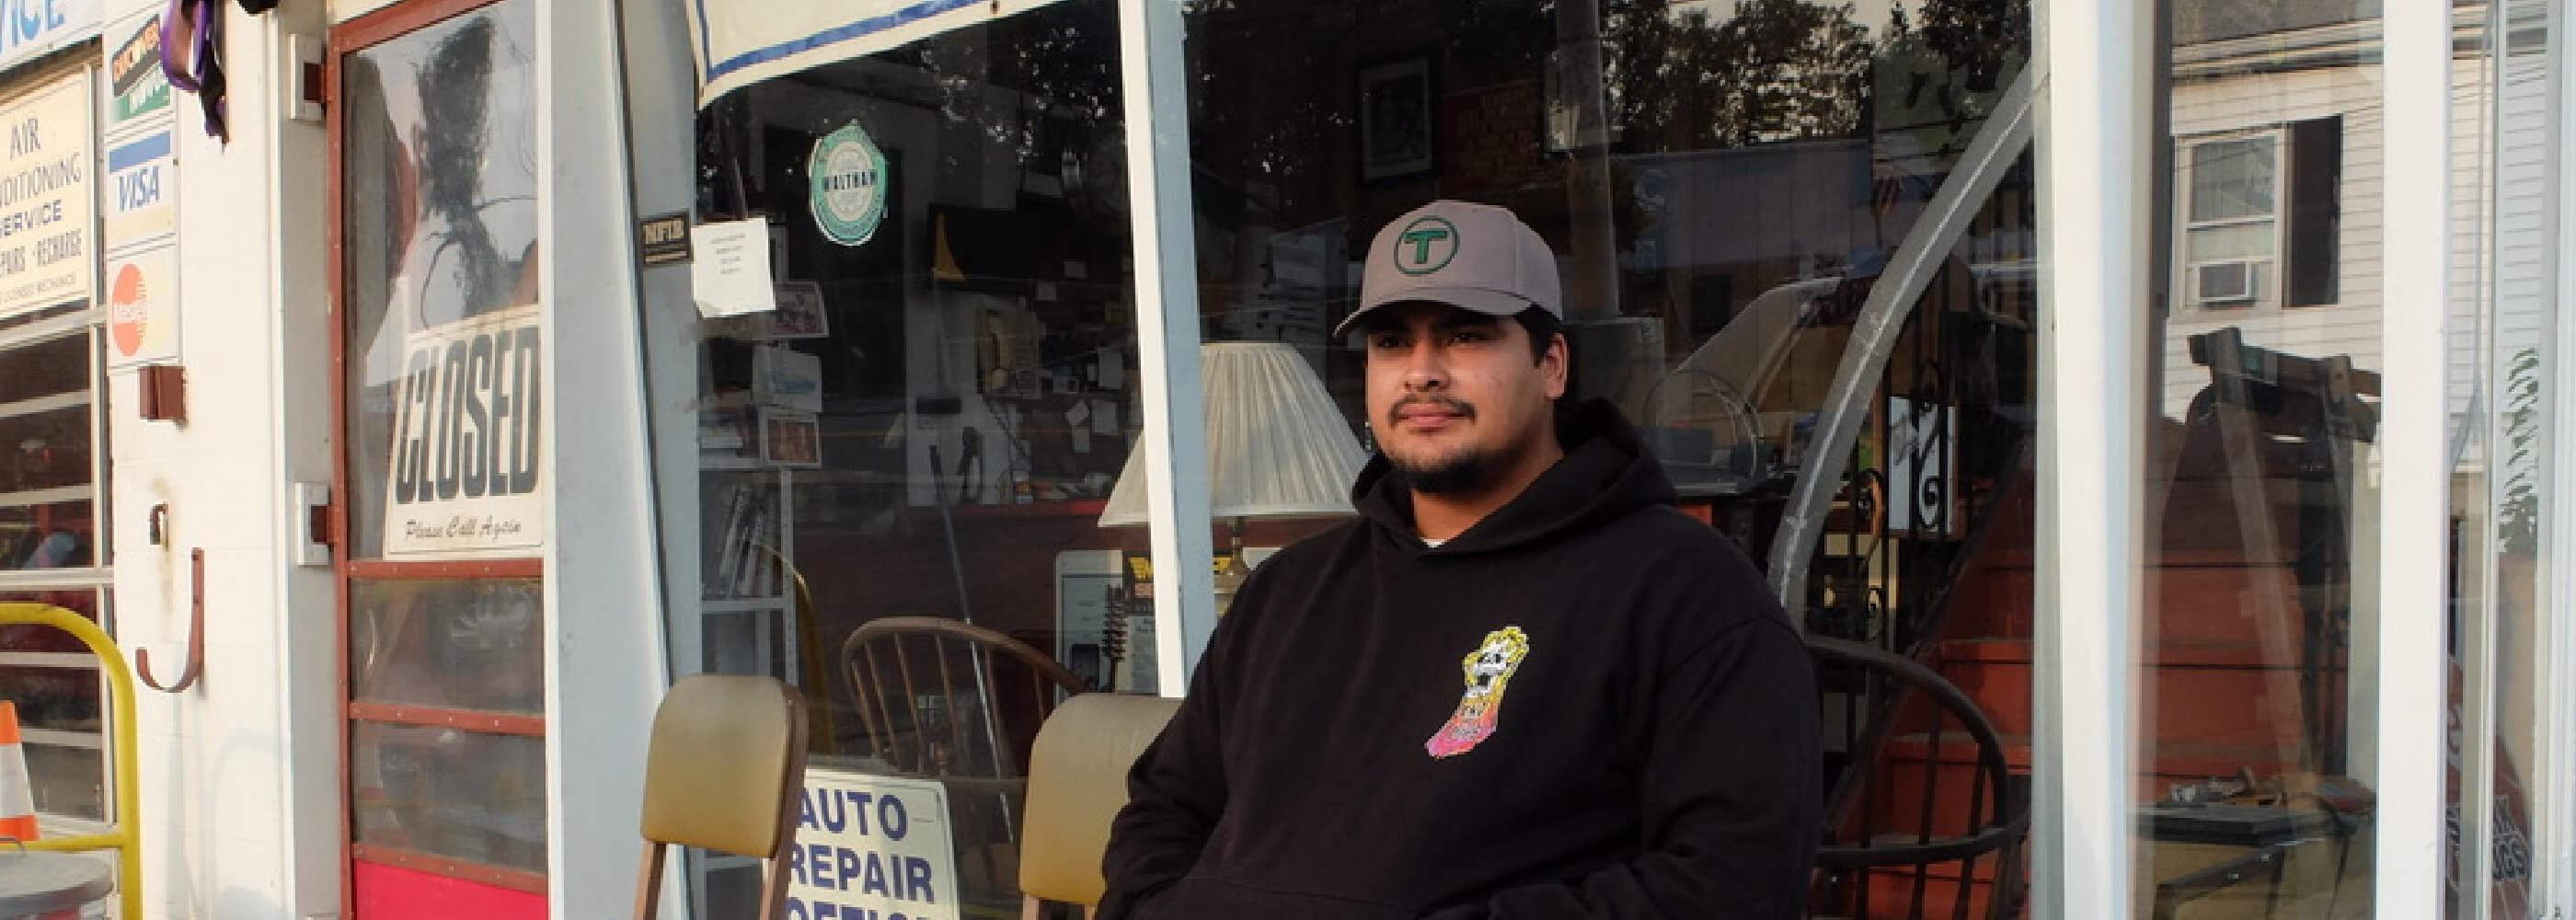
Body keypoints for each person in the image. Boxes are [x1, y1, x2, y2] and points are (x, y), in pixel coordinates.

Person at [1098, 200, 1820, 919]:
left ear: (1553, 365)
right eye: (1390, 342)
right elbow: (1163, 810)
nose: (1421, 373)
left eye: (1465, 336)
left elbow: (1732, 882)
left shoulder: (1685, 593)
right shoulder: (1290, 589)